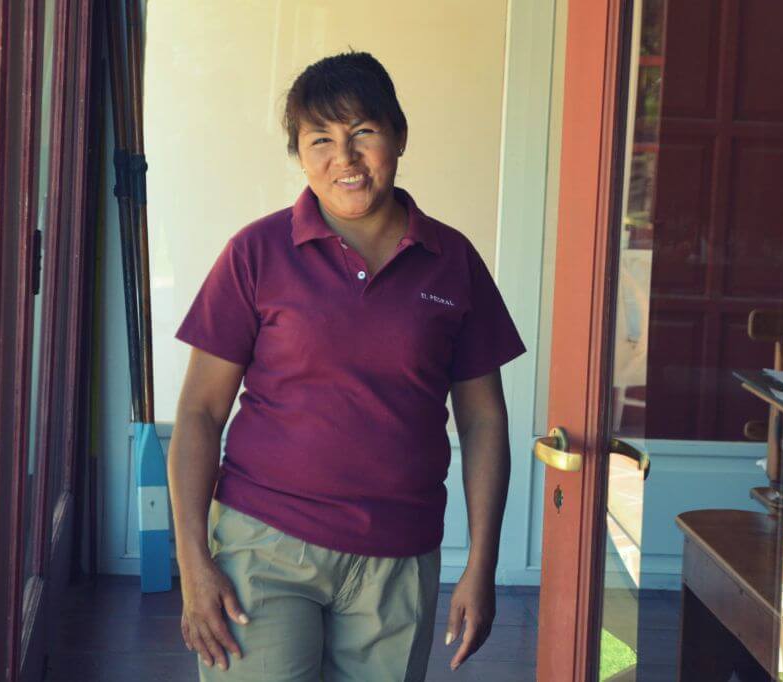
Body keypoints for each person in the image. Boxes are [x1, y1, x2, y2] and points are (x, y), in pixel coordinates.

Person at [168, 50, 526, 682]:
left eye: (363, 132)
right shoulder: (256, 253)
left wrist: (481, 563)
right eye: (321, 140)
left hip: (399, 557)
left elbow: (483, 422)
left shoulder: (452, 261)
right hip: (265, 547)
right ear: (299, 154)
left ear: (399, 136)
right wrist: (193, 562)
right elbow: (199, 413)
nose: (345, 158)